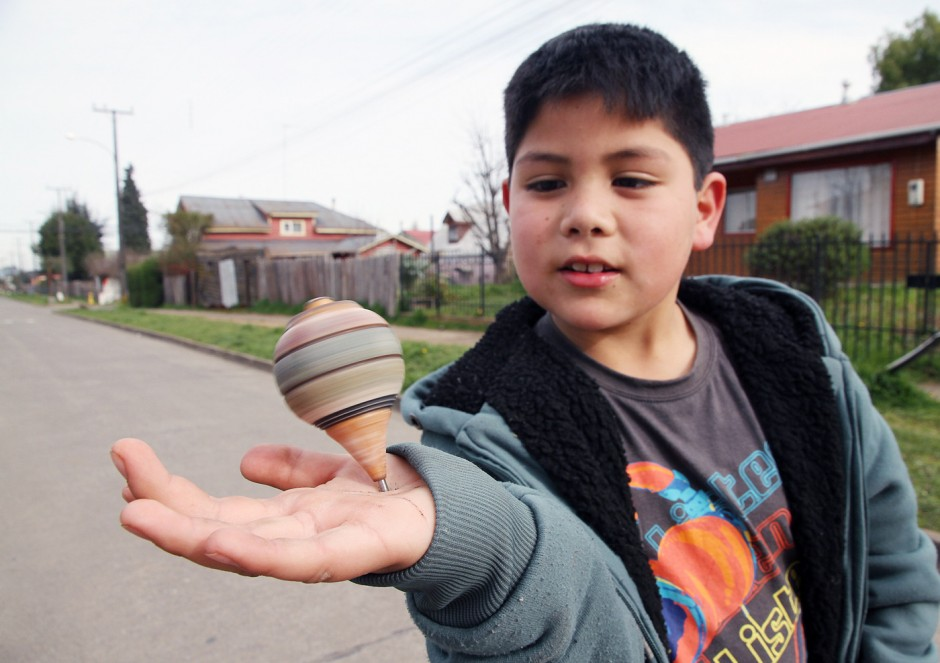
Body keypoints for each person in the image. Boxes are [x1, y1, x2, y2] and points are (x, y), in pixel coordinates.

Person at [112, 23, 940, 662]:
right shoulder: (480, 445)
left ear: (705, 207)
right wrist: (479, 554)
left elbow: (898, 579)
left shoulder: (799, 354)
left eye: (631, 178)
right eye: (548, 182)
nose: (585, 211)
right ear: (510, 202)